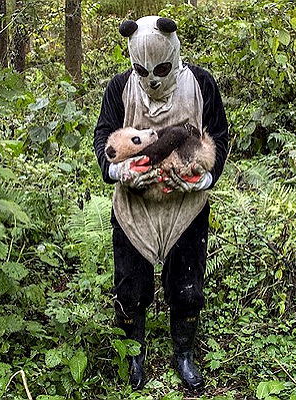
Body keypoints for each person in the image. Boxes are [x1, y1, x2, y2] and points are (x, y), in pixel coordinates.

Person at [93, 15, 229, 391]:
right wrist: (117, 172)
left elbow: (219, 134)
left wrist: (206, 177)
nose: (152, 79)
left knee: (188, 288)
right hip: (133, 209)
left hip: (186, 209)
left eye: (161, 69)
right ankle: (135, 354)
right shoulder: (120, 88)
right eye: (142, 69)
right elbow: (103, 136)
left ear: (174, 51)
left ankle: (183, 353)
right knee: (129, 288)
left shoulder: (201, 84)